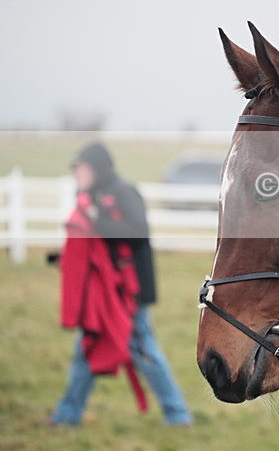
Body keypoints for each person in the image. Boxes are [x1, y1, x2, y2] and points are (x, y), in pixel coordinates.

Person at [51, 142, 193, 426]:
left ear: (98, 168)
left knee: (143, 352)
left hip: (130, 292)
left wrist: (97, 222)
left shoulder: (124, 192)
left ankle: (178, 415)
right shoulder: (92, 196)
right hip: (105, 293)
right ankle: (67, 415)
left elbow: (137, 232)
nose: (78, 175)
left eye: (83, 168)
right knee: (88, 348)